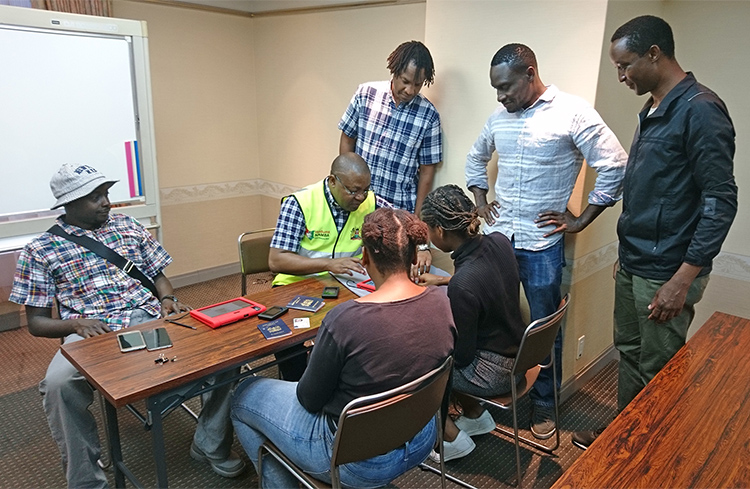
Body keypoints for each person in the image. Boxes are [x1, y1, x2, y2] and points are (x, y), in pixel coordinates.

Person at [9, 164, 245, 488]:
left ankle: (209, 444)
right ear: (70, 203)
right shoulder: (40, 250)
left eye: (106, 193)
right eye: (95, 197)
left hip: (149, 316)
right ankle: (86, 481)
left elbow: (158, 276)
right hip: (91, 331)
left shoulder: (128, 226)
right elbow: (36, 323)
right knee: (58, 385)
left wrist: (167, 298)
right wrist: (75, 324)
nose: (106, 202)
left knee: (225, 355)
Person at [573, 15, 738, 450]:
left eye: (624, 65)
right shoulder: (653, 108)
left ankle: (652, 456)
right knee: (629, 352)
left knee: (659, 369)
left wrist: (682, 279)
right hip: (636, 261)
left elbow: (720, 202)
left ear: (654, 53)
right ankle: (625, 438)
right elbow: (651, 190)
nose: (621, 76)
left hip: (667, 271)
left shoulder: (700, 110)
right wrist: (625, 255)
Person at [465, 43, 627, 439]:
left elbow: (615, 164)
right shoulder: (498, 119)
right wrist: (481, 201)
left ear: (530, 74)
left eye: (505, 87)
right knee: (490, 321)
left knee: (543, 329)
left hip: (542, 245)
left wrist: (580, 220)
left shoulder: (572, 112)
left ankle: (543, 404)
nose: (500, 96)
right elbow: (475, 157)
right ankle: (482, 394)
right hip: (498, 241)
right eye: (495, 89)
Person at [231, 208, 456, 489]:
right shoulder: (444, 301)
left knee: (243, 394)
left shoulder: (344, 320)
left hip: (355, 463)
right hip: (421, 439)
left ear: (365, 257)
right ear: (413, 257)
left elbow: (309, 399)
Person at [418, 184, 526, 461]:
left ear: (440, 231)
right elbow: (487, 279)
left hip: (495, 374)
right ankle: (476, 415)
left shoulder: (464, 283)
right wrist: (444, 281)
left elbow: (463, 357)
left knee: (419, 364)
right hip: (520, 357)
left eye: (428, 230)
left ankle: (450, 438)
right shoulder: (500, 241)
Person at [338, 40, 442, 222]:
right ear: (394, 71)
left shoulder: (429, 115)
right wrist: (346, 188)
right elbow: (347, 140)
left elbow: (427, 171)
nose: (410, 90)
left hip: (398, 211)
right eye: (405, 81)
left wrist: (418, 218)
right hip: (359, 204)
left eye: (417, 84)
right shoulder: (365, 94)